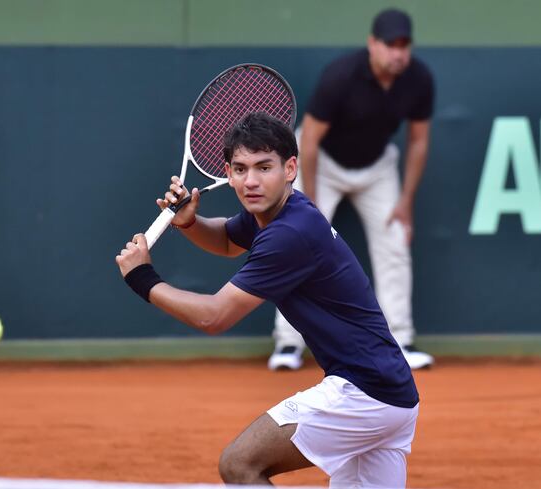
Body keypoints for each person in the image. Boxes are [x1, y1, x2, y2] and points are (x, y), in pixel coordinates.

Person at [116, 112, 419, 487]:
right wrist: (189, 222)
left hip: (363, 393)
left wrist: (142, 278)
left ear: (290, 168)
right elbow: (227, 239)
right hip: (393, 397)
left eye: (264, 167)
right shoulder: (283, 212)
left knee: (240, 465)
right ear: (228, 173)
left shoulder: (288, 233)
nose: (251, 181)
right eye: (240, 169)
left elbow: (215, 317)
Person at [269, 8, 435, 372]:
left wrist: (405, 201)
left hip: (377, 168)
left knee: (394, 242)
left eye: (404, 45)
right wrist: (307, 204)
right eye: (391, 44)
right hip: (322, 164)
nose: (398, 53)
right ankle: (288, 343)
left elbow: (419, 141)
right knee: (298, 242)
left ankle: (400, 340)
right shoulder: (341, 76)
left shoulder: (418, 79)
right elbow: (309, 141)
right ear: (372, 44)